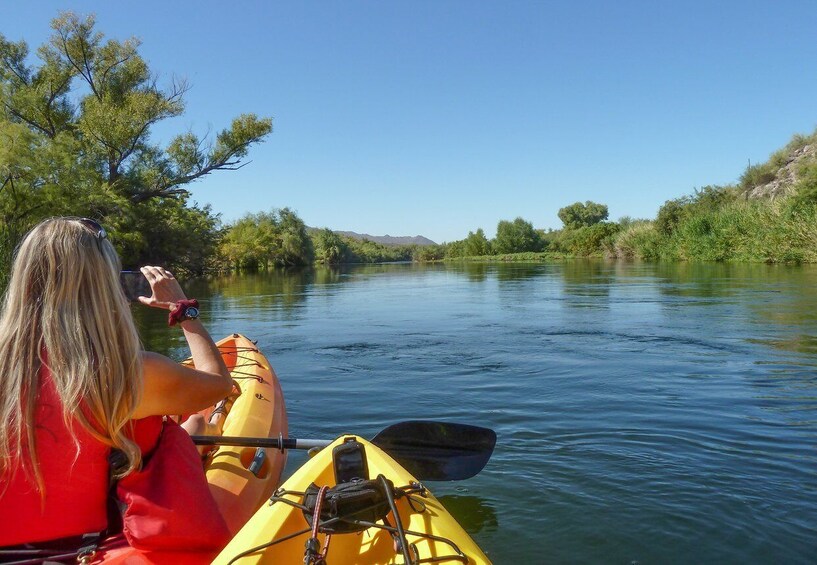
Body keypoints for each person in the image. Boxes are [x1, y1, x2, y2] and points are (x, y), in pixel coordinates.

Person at [0, 217, 234, 547]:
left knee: (187, 427)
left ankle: (196, 429)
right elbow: (220, 384)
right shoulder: (126, 374)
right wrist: (183, 309)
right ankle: (198, 430)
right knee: (184, 428)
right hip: (87, 551)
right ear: (106, 286)